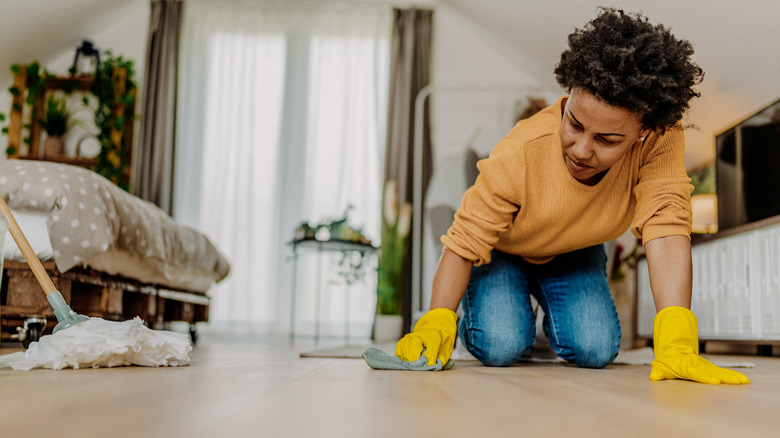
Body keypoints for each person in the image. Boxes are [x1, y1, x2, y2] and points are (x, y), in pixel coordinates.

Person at [394, 7, 750, 384]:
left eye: (606, 140)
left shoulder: (660, 138)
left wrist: (677, 340)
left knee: (594, 350)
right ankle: (491, 315)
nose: (580, 149)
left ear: (643, 132)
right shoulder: (521, 150)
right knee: (500, 346)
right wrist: (435, 321)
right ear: (569, 96)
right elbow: (463, 241)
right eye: (575, 125)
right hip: (503, 250)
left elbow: (666, 224)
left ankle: (543, 313)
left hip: (574, 250)